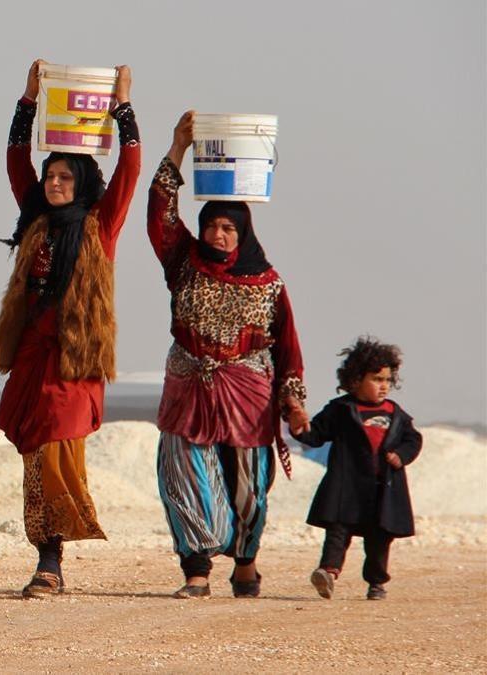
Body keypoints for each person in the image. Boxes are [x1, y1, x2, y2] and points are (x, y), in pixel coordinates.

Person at [0, 60, 140, 598]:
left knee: (57, 446)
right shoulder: (35, 222)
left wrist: (123, 105)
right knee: (34, 452)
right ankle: (46, 558)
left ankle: (51, 560)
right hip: (32, 358)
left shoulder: (101, 226)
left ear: (80, 183)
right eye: (49, 175)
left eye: (63, 176)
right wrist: (27, 101)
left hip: (74, 364)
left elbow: (129, 169)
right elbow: (14, 162)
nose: (53, 182)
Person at [146, 110, 309, 599]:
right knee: (185, 474)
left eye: (227, 229)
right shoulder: (183, 261)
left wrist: (294, 402)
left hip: (248, 390)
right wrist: (177, 147)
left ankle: (244, 563)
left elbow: (289, 349)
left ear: (243, 235)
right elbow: (160, 214)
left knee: (247, 487)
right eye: (211, 226)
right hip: (188, 384)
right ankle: (196, 570)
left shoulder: (269, 284)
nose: (217, 235)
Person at [293, 337, 422, 601]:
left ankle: (376, 583)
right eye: (376, 379)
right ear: (355, 380)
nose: (384, 385)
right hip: (347, 487)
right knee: (338, 532)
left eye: (387, 379)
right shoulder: (341, 410)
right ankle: (327, 573)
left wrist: (401, 455)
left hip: (382, 490)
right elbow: (317, 434)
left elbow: (413, 439)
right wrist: (299, 428)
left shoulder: (395, 413)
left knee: (378, 540)